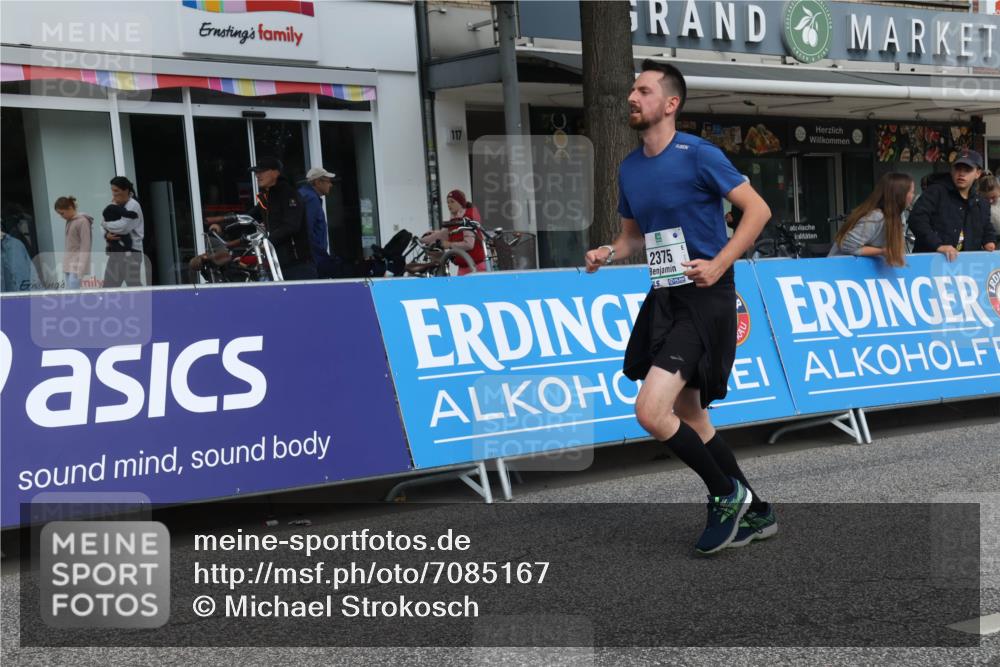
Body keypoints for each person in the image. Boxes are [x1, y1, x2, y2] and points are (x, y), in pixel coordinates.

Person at [584, 60, 773, 554]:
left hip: (707, 294)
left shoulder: (699, 155)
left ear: (670, 104)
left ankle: (725, 493)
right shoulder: (629, 167)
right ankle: (757, 510)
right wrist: (607, 252)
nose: (632, 97)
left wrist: (718, 263)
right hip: (665, 293)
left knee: (651, 410)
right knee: (691, 413)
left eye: (643, 91)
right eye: (631, 90)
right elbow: (632, 239)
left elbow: (758, 211)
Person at [204, 157, 316, 281]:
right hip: (278, 263)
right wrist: (222, 227)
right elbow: (249, 217)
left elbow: (291, 225)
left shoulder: (289, 194)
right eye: (256, 172)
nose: (257, 175)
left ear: (275, 172)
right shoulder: (267, 197)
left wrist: (267, 241)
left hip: (298, 264)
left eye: (261, 171)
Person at [908, 149, 996, 261]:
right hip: (931, 263)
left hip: (966, 267)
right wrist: (938, 245)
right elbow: (917, 219)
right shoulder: (935, 191)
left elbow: (986, 226)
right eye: (958, 168)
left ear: (978, 173)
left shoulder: (982, 202)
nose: (961, 173)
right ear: (951, 170)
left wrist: (989, 240)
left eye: (967, 169)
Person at [828, 172, 913, 267]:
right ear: (900, 194)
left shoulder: (899, 216)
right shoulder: (876, 217)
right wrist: (882, 251)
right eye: (911, 192)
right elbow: (847, 246)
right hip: (840, 270)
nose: (913, 196)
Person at [421, 189, 487, 275]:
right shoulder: (454, 220)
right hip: (463, 266)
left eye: (452, 202)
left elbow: (469, 244)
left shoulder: (467, 219)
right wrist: (422, 240)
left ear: (460, 203)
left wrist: (449, 244)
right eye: (447, 202)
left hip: (476, 266)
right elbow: (442, 234)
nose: (449, 205)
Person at [298, 166, 342, 278]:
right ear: (317, 182)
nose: (330, 185)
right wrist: (322, 257)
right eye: (328, 181)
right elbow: (308, 230)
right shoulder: (311, 198)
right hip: (313, 258)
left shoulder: (303, 194)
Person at [102, 176, 144, 287]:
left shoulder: (133, 205)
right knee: (108, 287)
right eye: (112, 190)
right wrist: (107, 234)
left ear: (125, 190)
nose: (113, 194)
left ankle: (146, 304)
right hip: (115, 252)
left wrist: (105, 225)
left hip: (132, 252)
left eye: (116, 190)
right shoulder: (115, 203)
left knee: (134, 286)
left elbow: (123, 227)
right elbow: (103, 221)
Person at [54, 196, 93, 290]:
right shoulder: (69, 221)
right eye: (59, 214)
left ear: (70, 208)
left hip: (77, 263)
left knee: (73, 292)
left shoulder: (83, 221)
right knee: (70, 291)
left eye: (62, 213)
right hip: (69, 262)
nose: (61, 216)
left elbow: (85, 245)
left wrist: (81, 266)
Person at [978, 172, 1000, 237]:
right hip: (989, 239)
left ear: (999, 190)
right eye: (986, 198)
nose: (990, 201)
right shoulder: (978, 205)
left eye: (993, 197)